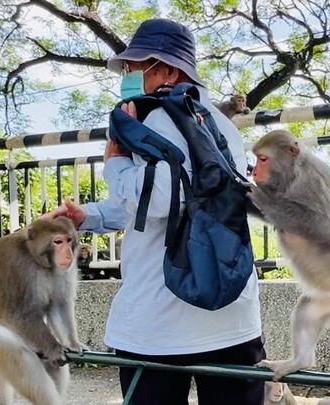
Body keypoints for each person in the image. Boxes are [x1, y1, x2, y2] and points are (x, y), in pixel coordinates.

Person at [48, 18, 265, 405]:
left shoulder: (159, 118)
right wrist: (90, 216)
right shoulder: (220, 125)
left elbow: (160, 198)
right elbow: (153, 204)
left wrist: (114, 163)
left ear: (165, 69)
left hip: (162, 324)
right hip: (233, 320)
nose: (127, 76)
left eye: (134, 67)